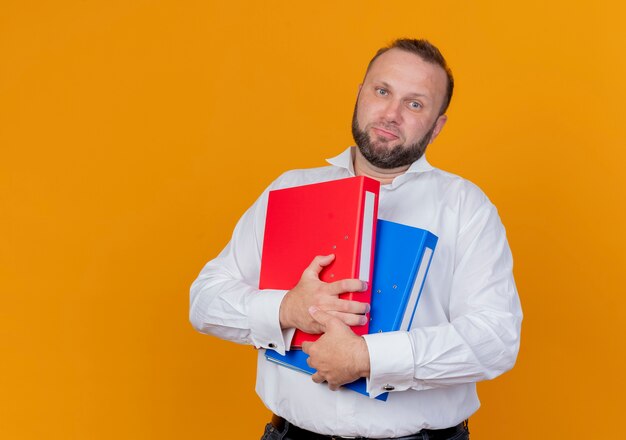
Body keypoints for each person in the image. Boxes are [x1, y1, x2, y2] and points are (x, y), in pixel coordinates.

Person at [190, 38, 522, 440]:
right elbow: (205, 301)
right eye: (382, 91)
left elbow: (495, 340)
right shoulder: (289, 190)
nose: (390, 113)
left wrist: (369, 358)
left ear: (437, 127)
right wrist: (286, 310)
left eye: (414, 104)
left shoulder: (466, 207)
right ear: (360, 94)